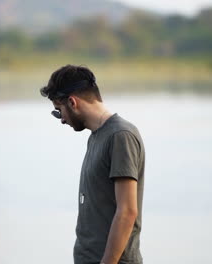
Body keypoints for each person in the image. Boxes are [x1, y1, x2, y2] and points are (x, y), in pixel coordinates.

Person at [40, 65, 145, 264]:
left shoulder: (120, 136)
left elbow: (127, 211)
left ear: (72, 102)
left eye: (58, 111)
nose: (61, 120)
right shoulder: (98, 136)